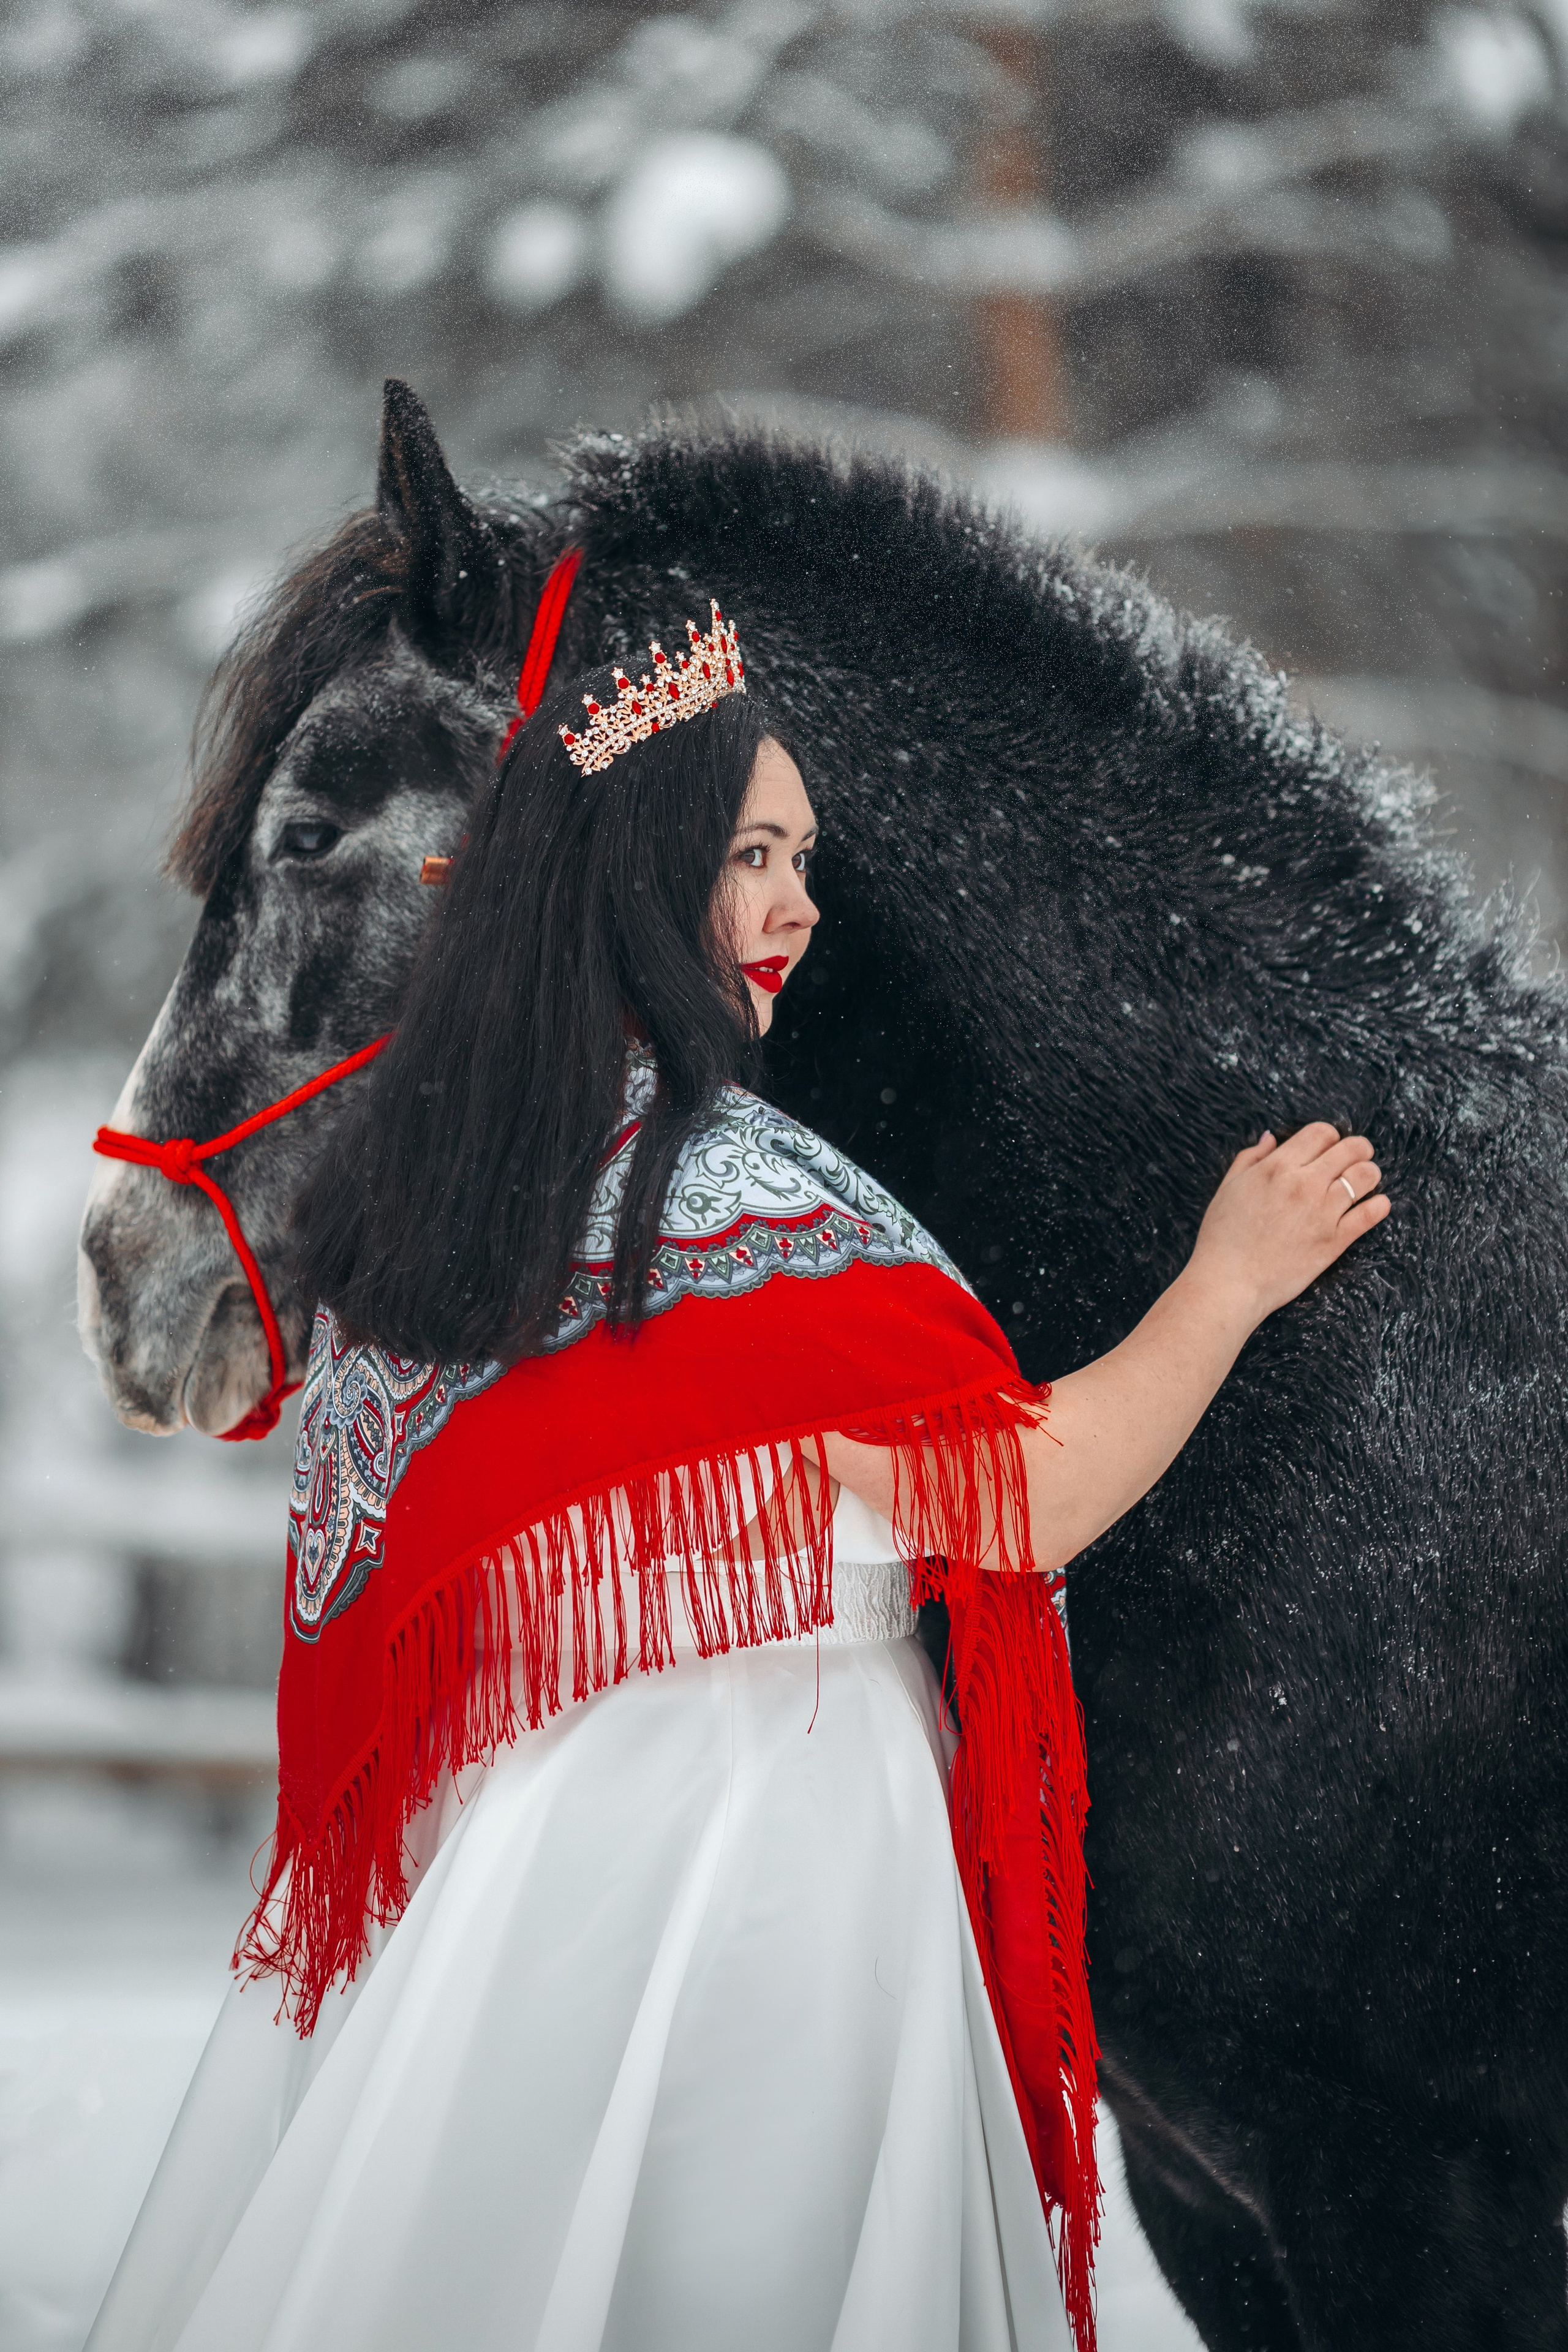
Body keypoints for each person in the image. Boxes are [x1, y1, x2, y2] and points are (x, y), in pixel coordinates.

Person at [88, 605, 1387, 2352]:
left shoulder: (467, 1203)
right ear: (637, 876)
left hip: (531, 1863)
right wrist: (1229, 1277)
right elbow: (1030, 1497)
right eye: (752, 853)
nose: (798, 905)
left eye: (804, 858)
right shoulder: (750, 1210)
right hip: (768, 1870)